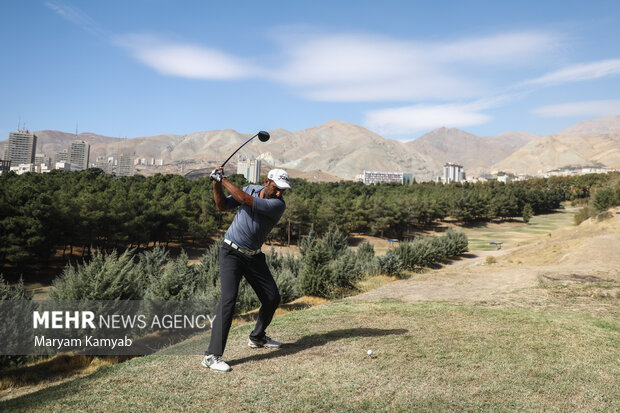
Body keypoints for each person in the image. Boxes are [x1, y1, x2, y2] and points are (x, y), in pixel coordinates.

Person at [202, 166, 291, 372]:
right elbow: (223, 206)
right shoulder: (251, 188)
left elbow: (243, 200)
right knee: (228, 300)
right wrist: (216, 184)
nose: (279, 193)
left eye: (282, 190)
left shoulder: (277, 205)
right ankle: (211, 356)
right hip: (231, 252)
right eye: (277, 188)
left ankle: (257, 337)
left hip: (253, 256)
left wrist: (222, 179)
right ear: (267, 182)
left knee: (272, 297)